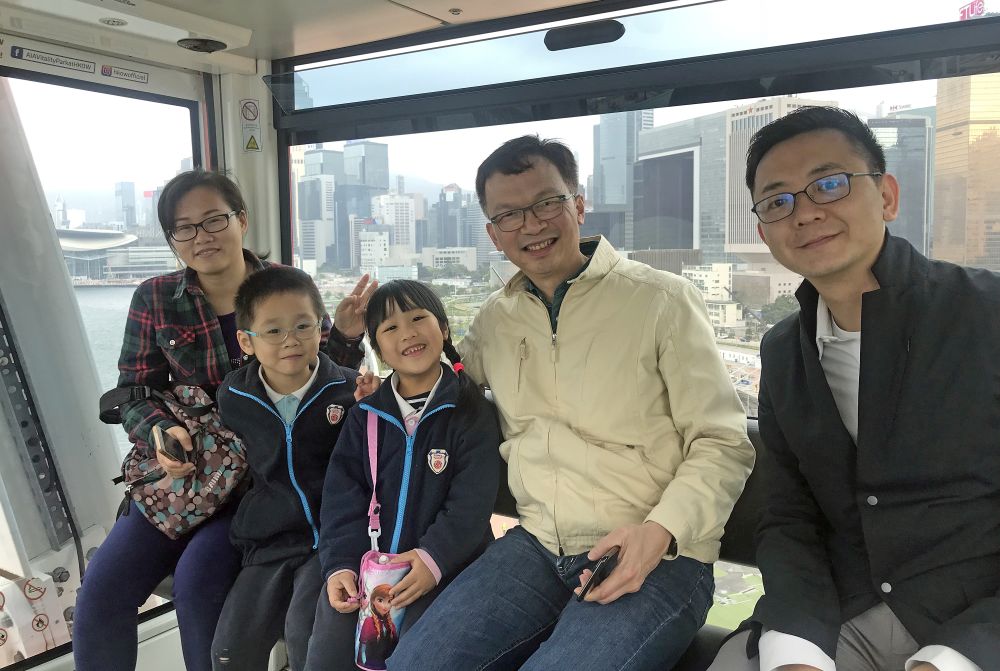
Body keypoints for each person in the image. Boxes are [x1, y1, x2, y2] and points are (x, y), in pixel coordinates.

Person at [385, 136, 755, 670]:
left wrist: (659, 533)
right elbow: (441, 384)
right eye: (509, 214)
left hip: (655, 555)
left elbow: (722, 442)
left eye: (547, 202)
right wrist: (347, 354)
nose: (532, 225)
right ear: (493, 234)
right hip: (535, 546)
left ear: (578, 205)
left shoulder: (660, 301)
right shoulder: (497, 317)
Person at [708, 106, 1000, 671]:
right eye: (778, 201)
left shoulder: (987, 315)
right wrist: (795, 648)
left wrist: (958, 656)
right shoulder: (784, 351)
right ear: (765, 230)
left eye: (829, 184)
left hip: (976, 620)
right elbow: (788, 515)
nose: (805, 212)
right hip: (838, 613)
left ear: (886, 196)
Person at [73, 170, 372, 671]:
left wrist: (343, 334)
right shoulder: (154, 298)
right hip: (183, 477)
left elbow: (321, 379)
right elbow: (132, 391)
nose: (202, 237)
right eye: (184, 228)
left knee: (197, 587)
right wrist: (158, 433)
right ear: (172, 240)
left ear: (242, 221)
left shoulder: (283, 287)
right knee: (101, 594)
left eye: (214, 220)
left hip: (257, 485)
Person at [305, 279, 501, 671]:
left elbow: (471, 503)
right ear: (377, 347)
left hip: (447, 570)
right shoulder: (366, 415)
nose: (408, 333)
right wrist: (340, 565)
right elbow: (343, 497)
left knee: (418, 654)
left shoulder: (470, 411)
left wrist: (433, 559)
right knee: (327, 649)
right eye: (390, 328)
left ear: (443, 329)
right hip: (369, 569)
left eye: (418, 318)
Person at [210, 265, 360, 670]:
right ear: (246, 341)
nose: (290, 340)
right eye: (273, 331)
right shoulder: (235, 396)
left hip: (329, 543)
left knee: (304, 638)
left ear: (320, 329)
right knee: (230, 651)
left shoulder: (347, 390)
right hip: (269, 541)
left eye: (303, 326)